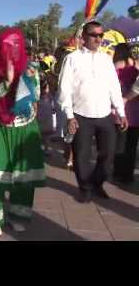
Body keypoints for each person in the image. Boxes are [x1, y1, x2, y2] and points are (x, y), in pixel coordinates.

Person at [0, 28, 45, 241]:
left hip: (24, 129)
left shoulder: (31, 68)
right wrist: (6, 82)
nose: (11, 53)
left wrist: (20, 80)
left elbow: (36, 96)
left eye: (15, 47)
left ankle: (18, 216)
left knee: (23, 177)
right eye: (6, 48)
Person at [58, 21, 127, 203]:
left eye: (100, 35)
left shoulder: (106, 59)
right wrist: (70, 116)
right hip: (81, 114)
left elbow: (114, 87)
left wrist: (121, 112)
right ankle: (86, 188)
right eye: (94, 35)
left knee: (108, 153)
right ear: (84, 37)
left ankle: (97, 183)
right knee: (81, 155)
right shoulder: (72, 58)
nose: (98, 38)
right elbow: (64, 88)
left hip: (105, 115)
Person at [112, 43, 139, 185]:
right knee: (131, 145)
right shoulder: (135, 68)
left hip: (119, 110)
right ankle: (128, 175)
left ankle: (117, 172)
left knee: (120, 143)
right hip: (135, 111)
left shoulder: (115, 66)